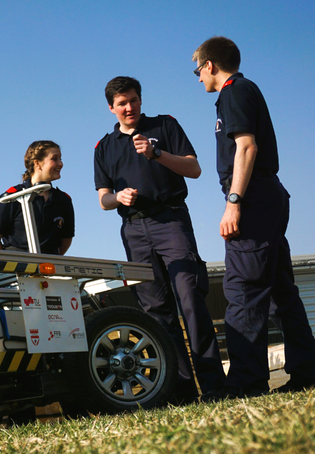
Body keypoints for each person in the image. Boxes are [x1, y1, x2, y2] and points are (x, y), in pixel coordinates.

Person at [192, 37, 315, 397]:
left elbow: (246, 147)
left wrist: (234, 202)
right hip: (268, 196)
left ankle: (246, 383)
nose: (198, 78)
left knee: (242, 289)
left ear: (210, 65)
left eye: (197, 70)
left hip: (253, 197)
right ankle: (307, 370)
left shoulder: (234, 91)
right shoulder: (244, 90)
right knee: (280, 291)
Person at [94, 76, 225, 403]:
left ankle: (214, 387)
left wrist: (157, 154)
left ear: (140, 100)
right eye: (122, 103)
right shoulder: (103, 147)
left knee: (191, 301)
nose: (129, 107)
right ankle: (180, 392)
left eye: (134, 100)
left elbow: (194, 169)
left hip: (171, 221)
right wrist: (118, 198)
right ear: (111, 108)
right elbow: (103, 199)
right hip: (135, 230)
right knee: (156, 312)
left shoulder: (165, 126)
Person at [0, 140, 74, 255]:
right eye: (54, 159)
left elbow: (66, 239)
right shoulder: (12, 197)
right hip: (17, 266)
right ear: (37, 163)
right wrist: (6, 265)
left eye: (60, 159)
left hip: (50, 267)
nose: (60, 164)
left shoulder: (64, 200)